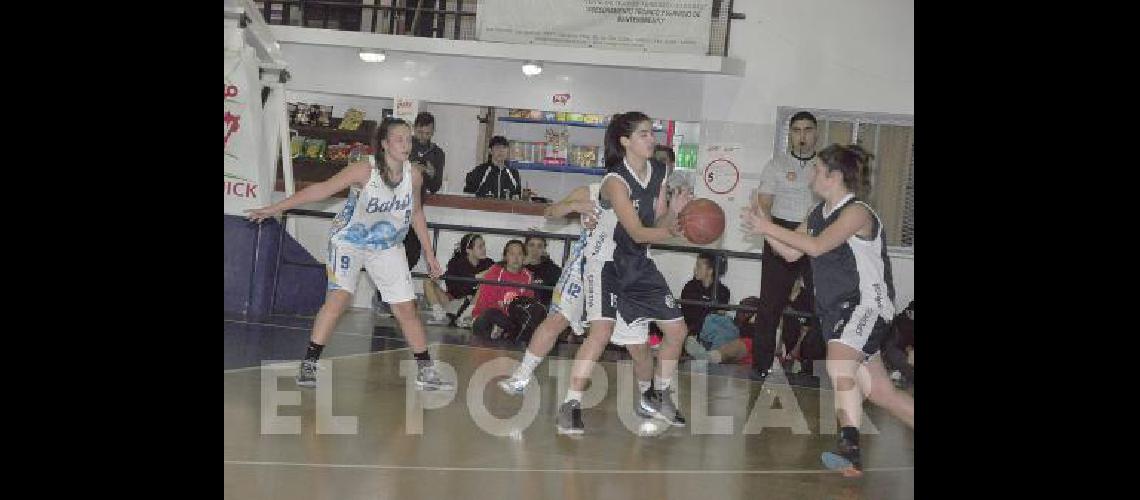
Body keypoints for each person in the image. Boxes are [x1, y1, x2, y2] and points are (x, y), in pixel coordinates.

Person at [741, 143, 913, 477]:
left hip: (866, 304)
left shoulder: (857, 212)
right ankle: (851, 450)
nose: (811, 175)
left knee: (838, 362)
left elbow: (818, 246)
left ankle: (849, 450)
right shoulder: (817, 214)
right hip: (838, 312)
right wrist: (763, 225)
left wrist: (768, 228)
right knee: (882, 393)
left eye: (817, 169)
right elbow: (793, 254)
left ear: (834, 176)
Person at [246, 117, 453, 391]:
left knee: (405, 307)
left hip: (387, 245)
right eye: (400, 139)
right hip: (350, 240)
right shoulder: (363, 171)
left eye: (409, 139)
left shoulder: (414, 175)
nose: (406, 144)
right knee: (340, 296)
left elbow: (415, 212)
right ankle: (309, 363)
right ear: (384, 144)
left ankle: (425, 369)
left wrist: (430, 254)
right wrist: (274, 208)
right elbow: (321, 190)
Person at [556, 111, 693, 435]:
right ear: (625, 141)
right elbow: (635, 231)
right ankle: (570, 405)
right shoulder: (614, 182)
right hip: (607, 264)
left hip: (639, 265)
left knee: (677, 332)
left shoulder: (659, 171)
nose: (652, 139)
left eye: (651, 133)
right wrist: (674, 231)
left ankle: (658, 394)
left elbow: (654, 224)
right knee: (601, 333)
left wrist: (673, 214)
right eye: (644, 134)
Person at [496, 183, 674, 432]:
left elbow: (658, 226)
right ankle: (522, 376)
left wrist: (675, 209)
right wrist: (575, 206)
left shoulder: (646, 195)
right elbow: (550, 212)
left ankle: (647, 395)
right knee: (558, 319)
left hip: (626, 274)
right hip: (586, 266)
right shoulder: (593, 190)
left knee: (639, 346)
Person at [749, 111, 823, 382]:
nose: (802, 135)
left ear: (816, 133)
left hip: (814, 234)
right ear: (790, 134)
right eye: (797, 130)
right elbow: (764, 203)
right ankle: (761, 366)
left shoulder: (823, 167)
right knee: (769, 306)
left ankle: (811, 365)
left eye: (807, 130)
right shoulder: (775, 165)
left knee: (822, 306)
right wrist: (772, 233)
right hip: (779, 230)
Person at [374, 111, 446, 317]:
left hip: (412, 209)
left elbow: (434, 185)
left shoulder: (436, 153)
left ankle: (393, 298)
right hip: (389, 209)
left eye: (428, 133)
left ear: (433, 132)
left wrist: (430, 174)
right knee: (384, 255)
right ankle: (384, 297)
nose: (422, 137)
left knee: (411, 254)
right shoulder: (398, 152)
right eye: (419, 133)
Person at [421, 233, 494, 325]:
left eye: (484, 245)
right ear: (468, 250)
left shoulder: (488, 263)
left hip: (472, 303)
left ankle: (466, 317)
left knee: (485, 285)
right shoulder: (456, 263)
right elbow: (466, 282)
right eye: (480, 246)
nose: (484, 249)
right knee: (428, 280)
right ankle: (439, 316)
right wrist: (488, 272)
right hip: (453, 301)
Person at [470, 240, 536, 339]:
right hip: (487, 317)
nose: (516, 258)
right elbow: (486, 305)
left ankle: (504, 331)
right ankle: (502, 330)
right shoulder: (494, 273)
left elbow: (528, 304)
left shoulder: (528, 276)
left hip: (510, 320)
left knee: (529, 320)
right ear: (505, 257)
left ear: (524, 257)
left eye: (520, 254)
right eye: (512, 254)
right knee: (491, 314)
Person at [679, 252, 731, 336]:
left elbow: (718, 318)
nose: (695, 269)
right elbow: (685, 314)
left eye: (699, 266)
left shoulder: (723, 291)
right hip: (688, 330)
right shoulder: (690, 286)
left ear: (710, 270)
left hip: (708, 333)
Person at [463, 135, 528, 199]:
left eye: (504, 148)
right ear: (490, 151)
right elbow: (468, 197)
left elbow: (517, 198)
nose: (501, 151)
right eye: (497, 147)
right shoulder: (480, 171)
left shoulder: (514, 174)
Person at [523, 236, 562, 307]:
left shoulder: (552, 269)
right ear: (525, 247)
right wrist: (521, 265)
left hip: (542, 311)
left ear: (544, 249)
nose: (535, 249)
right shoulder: (516, 266)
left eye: (539, 246)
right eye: (531, 245)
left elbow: (559, 294)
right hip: (518, 309)